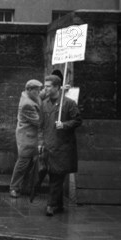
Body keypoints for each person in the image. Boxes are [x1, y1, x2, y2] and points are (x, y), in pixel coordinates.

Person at [39, 74, 82, 216]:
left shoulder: (69, 103)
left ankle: (51, 205)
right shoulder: (44, 103)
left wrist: (64, 124)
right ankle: (59, 205)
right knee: (53, 175)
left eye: (48, 86)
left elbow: (77, 120)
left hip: (63, 147)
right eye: (45, 86)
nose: (45, 88)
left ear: (57, 87)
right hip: (49, 145)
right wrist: (40, 142)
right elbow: (41, 125)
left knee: (57, 176)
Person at [9, 79, 43, 198]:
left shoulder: (31, 96)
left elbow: (41, 95)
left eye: (39, 90)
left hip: (30, 136)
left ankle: (24, 187)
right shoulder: (27, 104)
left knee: (28, 163)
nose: (39, 92)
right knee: (22, 163)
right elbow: (39, 122)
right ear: (29, 90)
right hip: (26, 138)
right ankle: (14, 187)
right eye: (37, 90)